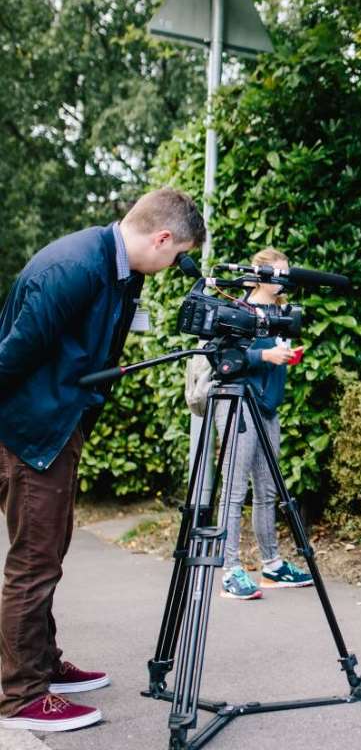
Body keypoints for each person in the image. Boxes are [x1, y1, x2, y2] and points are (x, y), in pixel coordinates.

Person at [0, 189, 205, 731]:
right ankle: (20, 696)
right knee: (33, 563)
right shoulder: (75, 268)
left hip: (56, 429)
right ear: (162, 238)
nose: (172, 267)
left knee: (49, 552)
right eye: (176, 254)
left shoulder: (114, 268)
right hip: (31, 434)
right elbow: (10, 358)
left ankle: (42, 663)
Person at [212, 247, 314, 601]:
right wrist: (263, 355)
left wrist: (283, 358)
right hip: (239, 403)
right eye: (277, 273)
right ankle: (230, 570)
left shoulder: (283, 311)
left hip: (269, 407)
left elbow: (277, 352)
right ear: (258, 274)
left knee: (268, 490)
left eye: (286, 272)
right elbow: (222, 358)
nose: (283, 279)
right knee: (235, 489)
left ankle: (271, 565)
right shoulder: (237, 309)